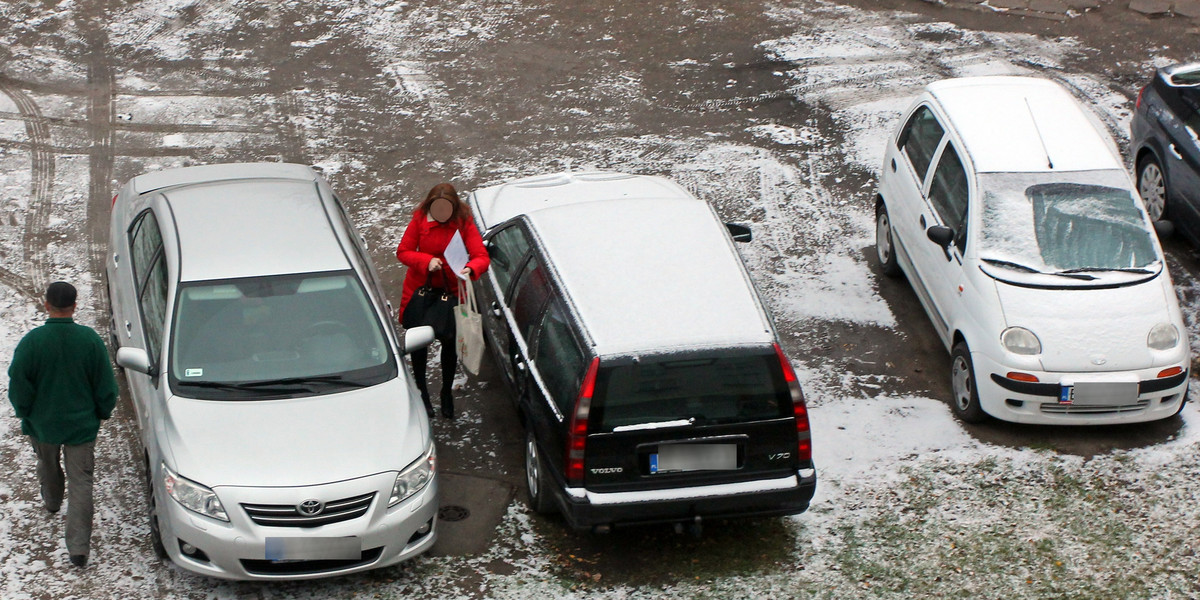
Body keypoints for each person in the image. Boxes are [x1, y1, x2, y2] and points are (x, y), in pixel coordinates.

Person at [8, 282, 118, 568]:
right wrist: (101, 412)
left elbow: (18, 384)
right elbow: (106, 386)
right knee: (81, 482)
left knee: (47, 463)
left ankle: (52, 501)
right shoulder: (90, 340)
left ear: (46, 305)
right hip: (81, 426)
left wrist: (26, 413)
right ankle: (79, 549)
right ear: (74, 306)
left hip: (43, 424)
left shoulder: (32, 341)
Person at [397, 183, 489, 419]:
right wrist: (426, 260)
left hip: (453, 293)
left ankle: (446, 393)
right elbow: (404, 251)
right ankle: (423, 394)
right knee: (420, 344)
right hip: (422, 293)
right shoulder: (419, 220)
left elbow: (481, 256)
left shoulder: (463, 222)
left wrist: (470, 269)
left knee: (450, 344)